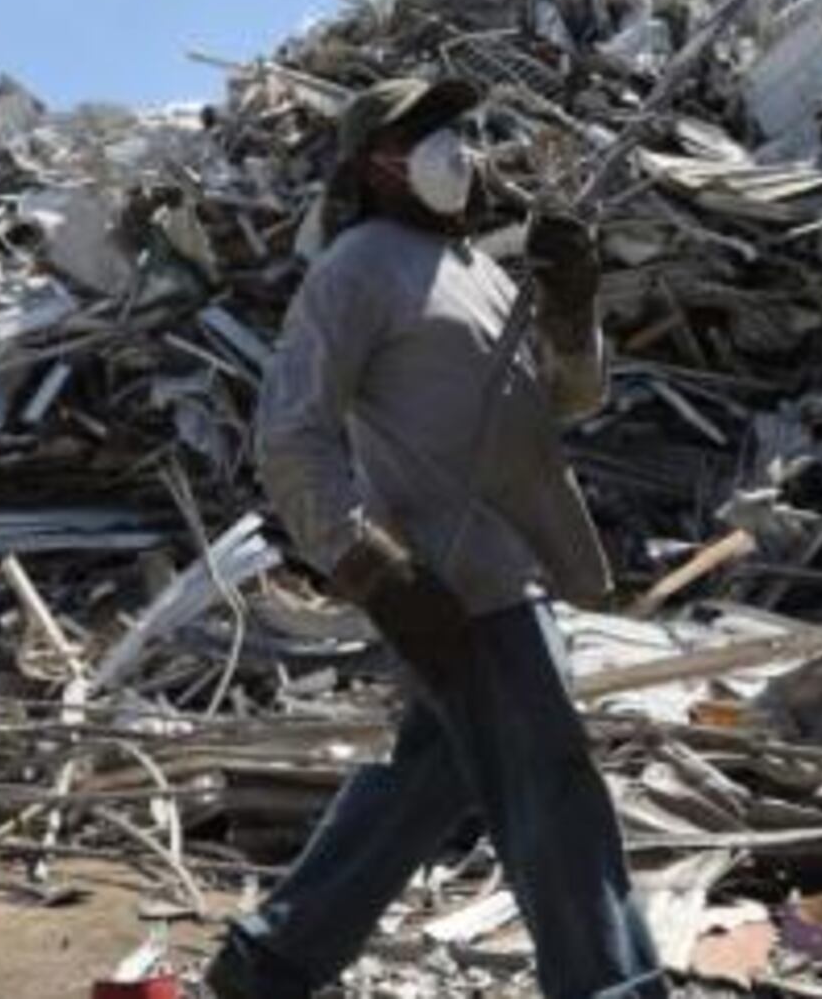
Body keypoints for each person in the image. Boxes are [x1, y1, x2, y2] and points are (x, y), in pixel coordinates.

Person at [208, 77, 664, 998]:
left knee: (428, 782)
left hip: (508, 562)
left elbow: (563, 401)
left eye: (453, 128)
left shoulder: (478, 269)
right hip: (455, 578)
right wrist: (371, 566)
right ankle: (613, 986)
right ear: (375, 165)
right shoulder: (356, 268)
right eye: (424, 133)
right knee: (555, 791)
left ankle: (269, 963)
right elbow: (291, 431)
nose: (453, 147)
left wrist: (572, 307)